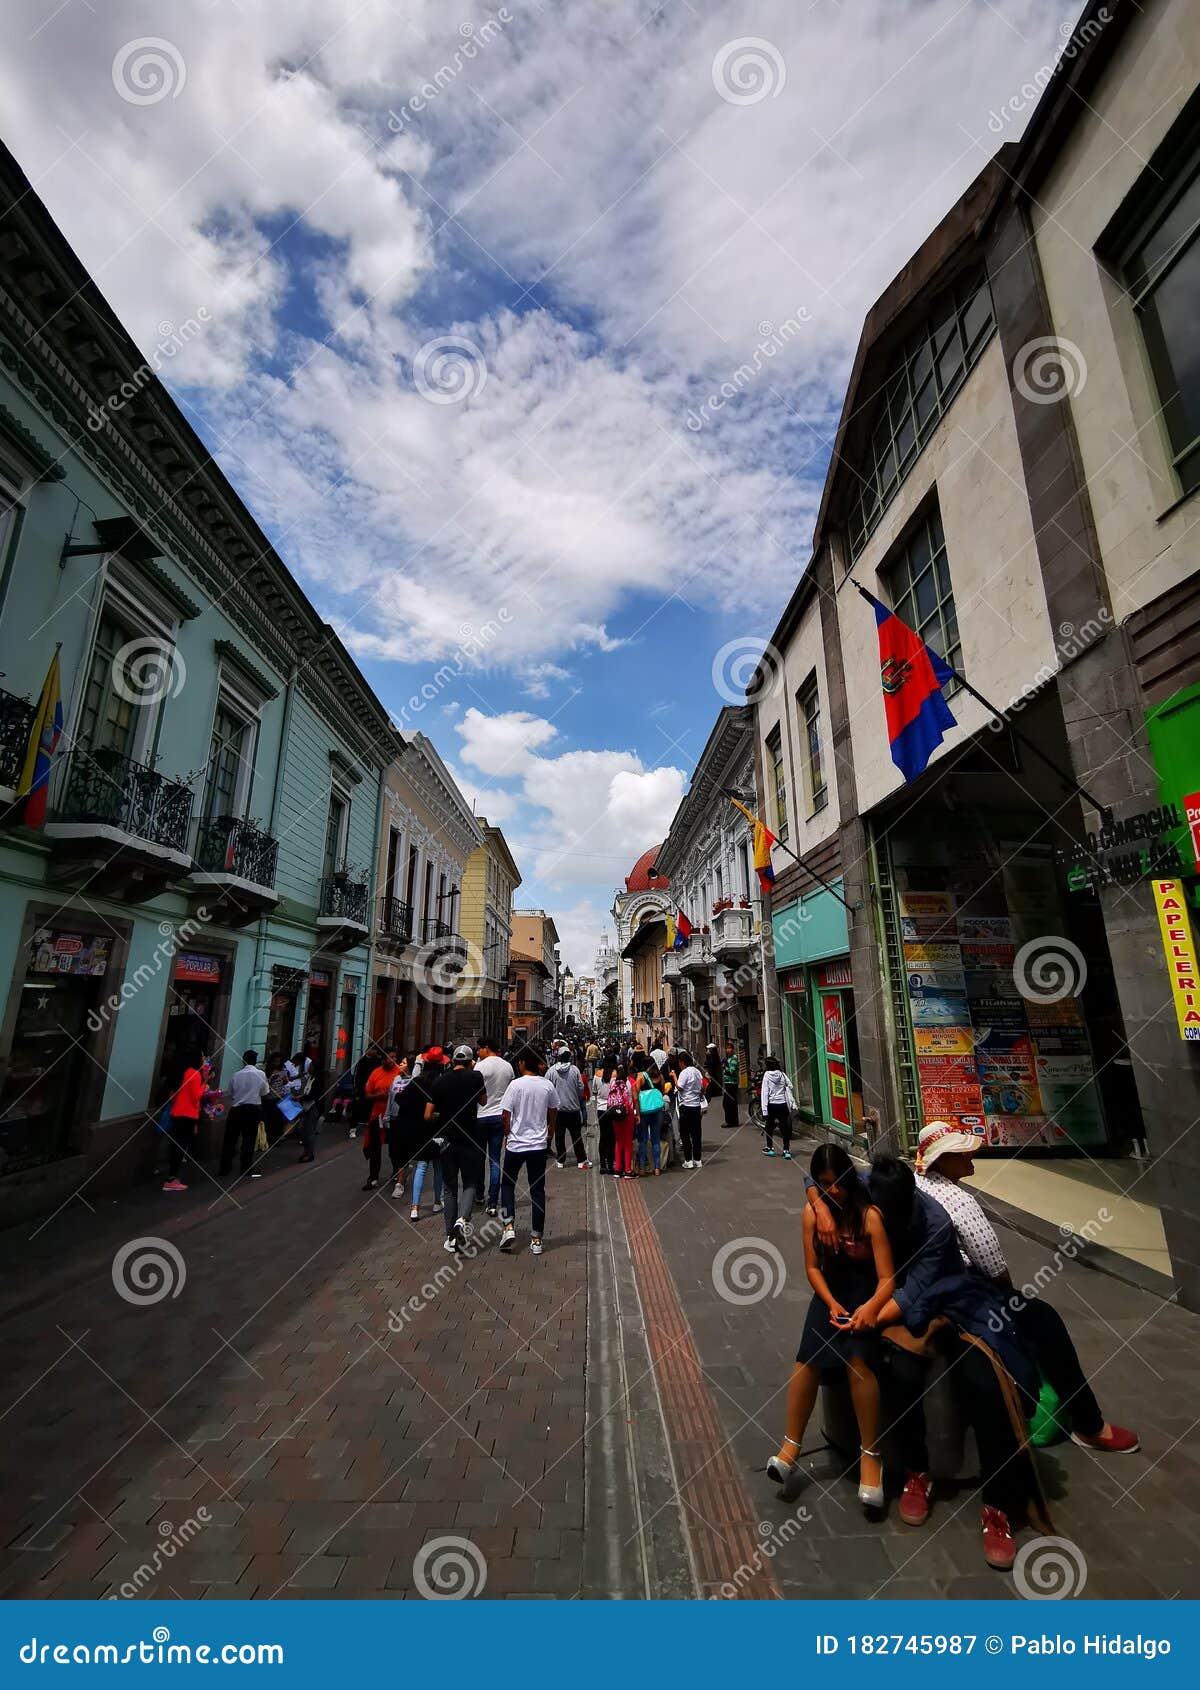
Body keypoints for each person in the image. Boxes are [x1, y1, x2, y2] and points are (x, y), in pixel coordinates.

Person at [912, 1121, 1138, 1456]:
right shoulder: (960, 1202)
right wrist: (1009, 1295)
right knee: (1044, 1319)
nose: (972, 1157)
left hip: (920, 1289)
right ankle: (1090, 1425)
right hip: (963, 1295)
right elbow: (994, 1267)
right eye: (963, 1154)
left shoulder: (915, 1184)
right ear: (941, 1160)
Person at [861, 1152, 1043, 1567]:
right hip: (898, 1302)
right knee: (900, 1371)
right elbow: (818, 1181)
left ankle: (999, 1506)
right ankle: (914, 1472)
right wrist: (820, 1205)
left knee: (987, 1380)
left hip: (953, 1300)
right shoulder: (867, 1188)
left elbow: (915, 1290)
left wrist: (870, 1315)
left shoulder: (935, 1223)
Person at [766, 1143, 894, 1511]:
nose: (832, 1190)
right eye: (824, 1184)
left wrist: (869, 1308)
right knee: (807, 1359)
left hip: (866, 1295)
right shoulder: (812, 1214)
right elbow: (811, 1268)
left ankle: (871, 1456)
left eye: (837, 1182)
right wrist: (831, 1302)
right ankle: (790, 1447)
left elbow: (887, 1277)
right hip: (831, 1294)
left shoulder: (869, 1216)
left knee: (858, 1362)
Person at [427, 1045, 488, 1253]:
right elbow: (483, 1101)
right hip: (470, 1136)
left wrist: (442, 1115)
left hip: (446, 1140)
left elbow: (428, 1115)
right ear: (471, 1061)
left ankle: (450, 1237)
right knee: (470, 1182)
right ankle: (462, 1220)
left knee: (449, 1187)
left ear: (452, 1060)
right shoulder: (476, 1077)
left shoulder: (439, 1081)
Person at [498, 1046, 557, 1254]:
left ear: (523, 1063)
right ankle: (537, 1239)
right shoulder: (547, 1086)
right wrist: (550, 1130)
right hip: (538, 1146)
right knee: (537, 1190)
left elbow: (505, 1115)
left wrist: (507, 1134)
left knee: (507, 1184)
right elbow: (553, 1110)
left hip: (516, 1144)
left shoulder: (515, 1085)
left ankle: (508, 1226)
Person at [393, 1049, 445, 1217]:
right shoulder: (440, 1082)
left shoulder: (417, 1082)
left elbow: (399, 1100)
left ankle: (415, 1208)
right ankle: (437, 1202)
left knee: (421, 1167)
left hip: (418, 1129)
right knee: (438, 1168)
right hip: (436, 1129)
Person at [475, 1038, 515, 1216]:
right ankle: (492, 1201)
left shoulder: (480, 1067)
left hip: (481, 1116)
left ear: (486, 1048)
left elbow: (475, 1093)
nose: (477, 1052)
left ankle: (478, 1194)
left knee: (478, 1158)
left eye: (479, 1049)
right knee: (495, 1160)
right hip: (499, 1117)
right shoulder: (507, 1067)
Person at [162, 1048, 209, 1191]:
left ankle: (172, 1177)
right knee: (180, 1147)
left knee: (176, 1145)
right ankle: (171, 1180)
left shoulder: (185, 1072)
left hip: (177, 1113)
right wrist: (204, 1084)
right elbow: (196, 1098)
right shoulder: (195, 1075)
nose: (203, 1059)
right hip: (187, 1115)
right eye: (202, 1056)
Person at [220, 1049, 270, 1179]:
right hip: (252, 1109)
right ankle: (246, 1168)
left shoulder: (236, 1075)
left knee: (230, 1139)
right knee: (249, 1139)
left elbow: (230, 1093)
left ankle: (224, 1168)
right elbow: (265, 1092)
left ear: (243, 1060)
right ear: (255, 1061)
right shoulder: (261, 1074)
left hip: (236, 1110)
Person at [361, 1048, 402, 1191]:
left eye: (395, 1057)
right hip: (377, 1115)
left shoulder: (399, 1072)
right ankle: (373, 1178)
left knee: (394, 1148)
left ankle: (397, 1173)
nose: (394, 1060)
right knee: (375, 1148)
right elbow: (367, 1094)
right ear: (384, 1059)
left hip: (393, 1116)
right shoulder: (375, 1073)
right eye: (391, 1057)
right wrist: (380, 1096)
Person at [549, 1048, 589, 1169]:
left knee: (559, 1136)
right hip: (573, 1109)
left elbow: (547, 1086)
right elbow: (580, 1087)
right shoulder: (575, 1070)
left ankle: (560, 1160)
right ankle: (581, 1160)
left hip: (559, 1110)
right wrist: (576, 1097)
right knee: (576, 1136)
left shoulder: (552, 1071)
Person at [632, 1052, 666, 1176]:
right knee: (656, 1140)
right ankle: (657, 1168)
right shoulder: (660, 1076)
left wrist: (638, 1113)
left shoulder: (641, 1076)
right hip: (657, 1111)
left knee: (643, 1140)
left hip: (644, 1111)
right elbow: (662, 1092)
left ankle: (641, 1168)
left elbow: (636, 1096)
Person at [674, 1049, 706, 1168]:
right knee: (696, 1134)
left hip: (686, 1106)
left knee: (685, 1133)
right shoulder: (697, 1071)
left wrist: (673, 1077)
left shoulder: (684, 1072)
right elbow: (702, 1088)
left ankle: (688, 1160)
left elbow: (680, 1087)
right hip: (696, 1106)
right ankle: (698, 1159)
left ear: (682, 1062)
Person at [607, 1062, 638, 1180]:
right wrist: (637, 1114)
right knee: (627, 1142)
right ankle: (628, 1170)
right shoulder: (630, 1082)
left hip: (615, 1114)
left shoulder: (613, 1082)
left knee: (618, 1141)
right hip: (627, 1113)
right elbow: (635, 1099)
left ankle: (617, 1169)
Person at [760, 1057, 796, 1159]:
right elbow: (790, 1085)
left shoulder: (767, 1075)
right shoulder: (781, 1074)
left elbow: (764, 1093)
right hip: (783, 1104)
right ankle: (786, 1150)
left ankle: (770, 1148)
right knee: (784, 1128)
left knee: (769, 1127)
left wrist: (764, 1110)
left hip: (772, 1105)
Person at [285, 1050, 317, 1162]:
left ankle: (309, 1153)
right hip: (305, 1107)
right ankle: (306, 1151)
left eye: (311, 1066)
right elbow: (306, 1091)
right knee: (303, 1129)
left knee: (308, 1131)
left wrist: (300, 1097)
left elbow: (312, 1095)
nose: (309, 1067)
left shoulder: (316, 1080)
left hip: (311, 1107)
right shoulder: (310, 1078)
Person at [721, 1039, 740, 1130]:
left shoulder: (734, 1058)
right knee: (728, 1103)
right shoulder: (727, 1058)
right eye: (726, 1048)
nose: (727, 1050)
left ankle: (730, 1121)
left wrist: (725, 1067)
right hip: (728, 1083)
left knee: (728, 1103)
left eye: (729, 1048)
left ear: (732, 1049)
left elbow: (732, 1071)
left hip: (732, 1083)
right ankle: (732, 1121)